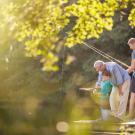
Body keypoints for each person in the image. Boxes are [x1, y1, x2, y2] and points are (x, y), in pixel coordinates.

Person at [127, 38, 135, 119]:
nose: (130, 48)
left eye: (130, 45)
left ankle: (130, 115)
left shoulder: (134, 52)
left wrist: (124, 72)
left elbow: (133, 67)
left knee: (133, 95)